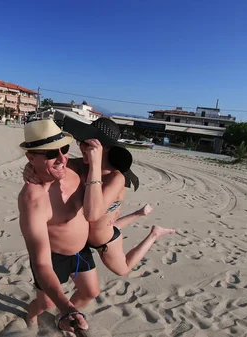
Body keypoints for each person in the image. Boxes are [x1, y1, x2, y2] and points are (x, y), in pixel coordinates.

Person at [24, 117, 174, 277]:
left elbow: (92, 215)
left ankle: (154, 234)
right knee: (112, 223)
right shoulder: (82, 165)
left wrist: (95, 165)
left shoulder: (116, 178)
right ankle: (140, 213)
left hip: (104, 239)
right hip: (86, 236)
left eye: (89, 145)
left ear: (106, 148)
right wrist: (30, 167)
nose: (82, 147)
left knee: (123, 269)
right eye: (81, 142)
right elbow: (53, 164)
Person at [17, 119, 99, 334]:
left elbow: (111, 168)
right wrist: (65, 307)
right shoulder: (33, 200)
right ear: (30, 157)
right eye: (52, 153)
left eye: (64, 149)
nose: (62, 158)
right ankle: (31, 314)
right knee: (46, 305)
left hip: (81, 250)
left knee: (90, 292)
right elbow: (41, 263)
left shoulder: (75, 169)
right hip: (53, 256)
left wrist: (70, 309)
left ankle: (66, 314)